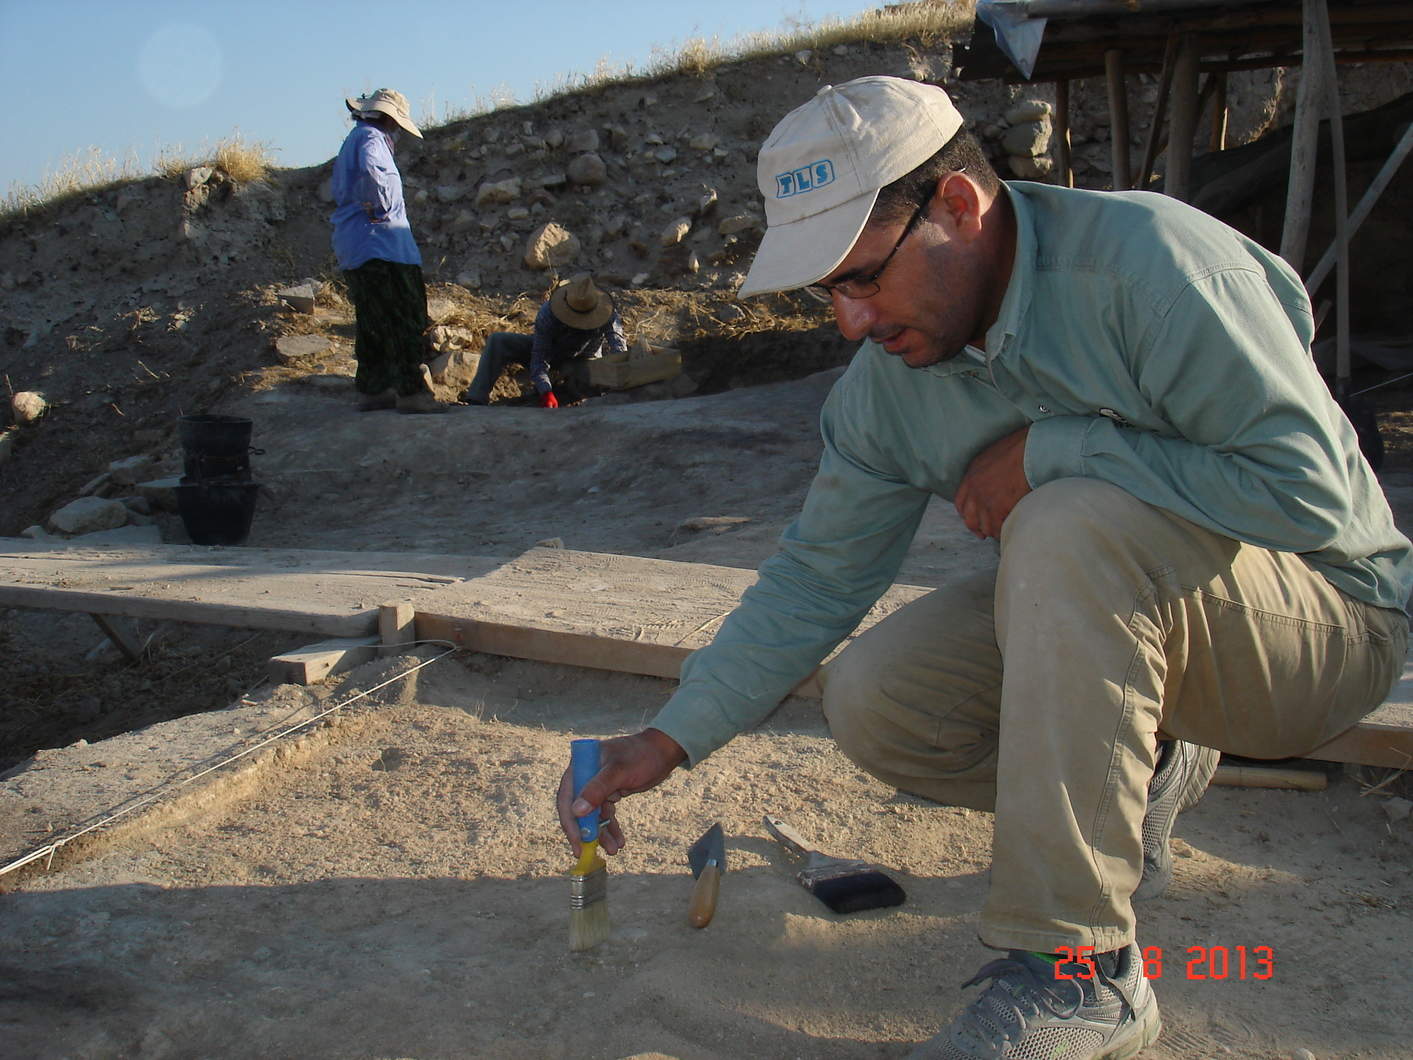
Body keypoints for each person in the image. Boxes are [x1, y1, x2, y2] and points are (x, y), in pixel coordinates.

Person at [555, 75, 1413, 1058]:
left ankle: (1079, 977)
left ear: (958, 206)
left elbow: (1306, 496)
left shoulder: (1160, 270)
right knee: (877, 695)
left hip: (1328, 622)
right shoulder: (890, 388)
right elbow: (814, 580)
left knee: (1065, 522)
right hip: (1153, 616)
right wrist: (667, 738)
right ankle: (1156, 766)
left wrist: (1056, 449)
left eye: (862, 275)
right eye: (827, 288)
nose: (847, 321)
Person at [331, 88, 445, 414]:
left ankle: (373, 388)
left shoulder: (354, 138)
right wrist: (379, 204)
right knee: (403, 316)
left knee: (373, 319)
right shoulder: (371, 140)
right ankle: (411, 392)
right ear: (391, 119)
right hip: (382, 245)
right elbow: (372, 171)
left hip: (359, 245)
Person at [461, 273, 626, 407]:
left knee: (589, 373)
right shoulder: (549, 312)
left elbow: (619, 351)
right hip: (552, 352)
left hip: (582, 361)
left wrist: (620, 380)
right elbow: (539, 359)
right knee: (498, 341)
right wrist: (545, 390)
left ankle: (568, 394)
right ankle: (476, 399)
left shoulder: (607, 313)